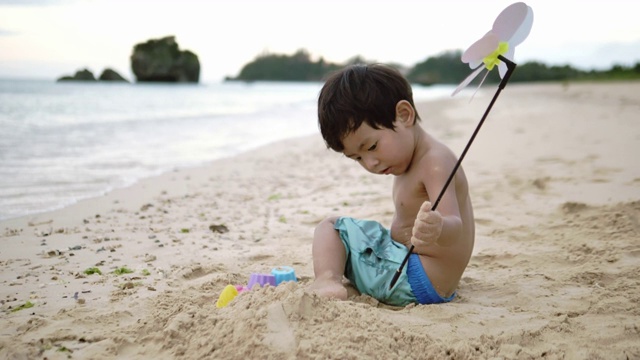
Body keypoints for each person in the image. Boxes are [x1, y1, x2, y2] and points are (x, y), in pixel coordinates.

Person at [308, 63, 475, 306]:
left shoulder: (434, 162)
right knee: (364, 234)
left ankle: (327, 280)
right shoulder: (410, 158)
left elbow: (455, 225)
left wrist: (438, 227)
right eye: (357, 158)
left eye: (372, 147)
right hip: (430, 281)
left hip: (413, 279)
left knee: (332, 227)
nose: (370, 163)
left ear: (404, 115)